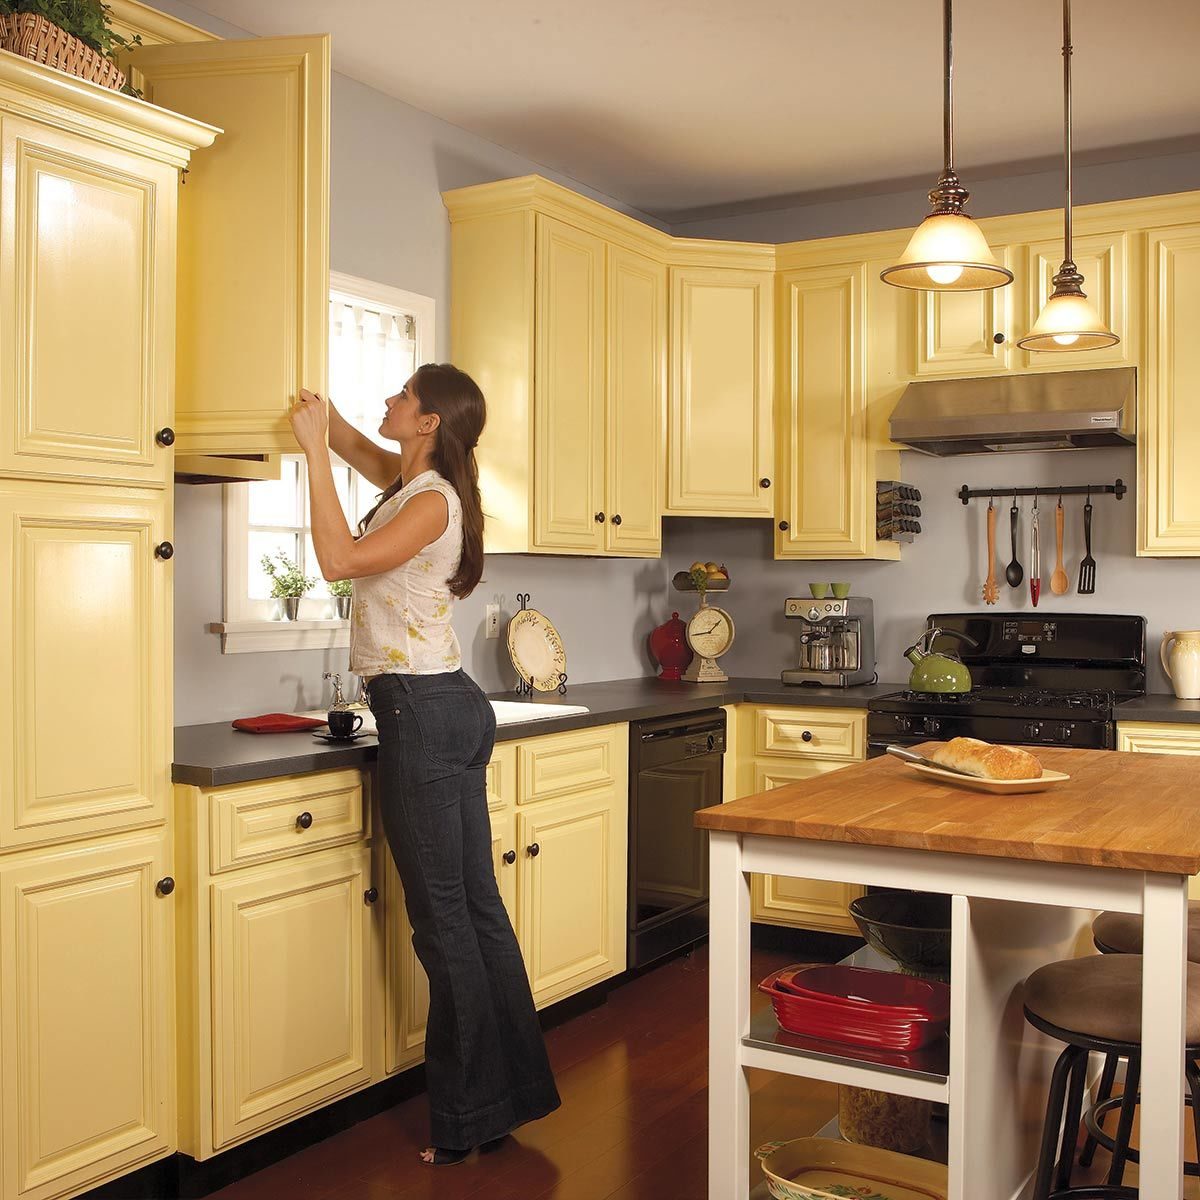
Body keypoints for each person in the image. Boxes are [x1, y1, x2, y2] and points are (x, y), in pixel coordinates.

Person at [288, 364, 561, 1166]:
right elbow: (358, 445)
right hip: (442, 705)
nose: (387, 404)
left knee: (445, 923)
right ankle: (510, 1097)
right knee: (476, 913)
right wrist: (321, 417)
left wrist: (309, 456)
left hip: (422, 709)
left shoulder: (432, 499)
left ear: (430, 420)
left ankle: (469, 1118)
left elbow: (340, 560)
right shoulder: (414, 483)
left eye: (401, 398)